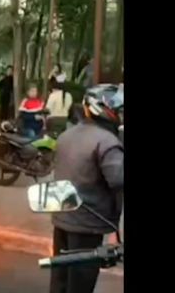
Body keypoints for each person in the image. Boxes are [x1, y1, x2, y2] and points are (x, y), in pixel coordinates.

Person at [50, 84, 124, 293]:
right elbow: (118, 181)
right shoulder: (107, 142)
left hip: (62, 220)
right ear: (104, 109)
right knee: (80, 285)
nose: (120, 114)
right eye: (118, 110)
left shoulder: (67, 135)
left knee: (59, 281)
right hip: (88, 225)